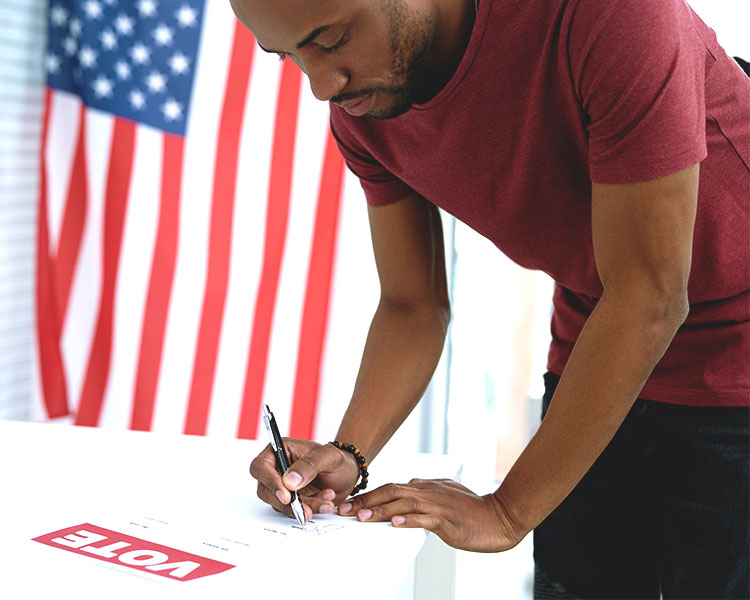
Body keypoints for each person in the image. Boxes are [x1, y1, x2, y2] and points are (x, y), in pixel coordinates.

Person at [230, 0, 750, 597]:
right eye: (289, 56)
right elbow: (412, 304)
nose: (322, 85)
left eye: (332, 39)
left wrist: (508, 511)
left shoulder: (614, 13)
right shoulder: (367, 104)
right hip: (597, 341)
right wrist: (348, 453)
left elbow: (651, 293)